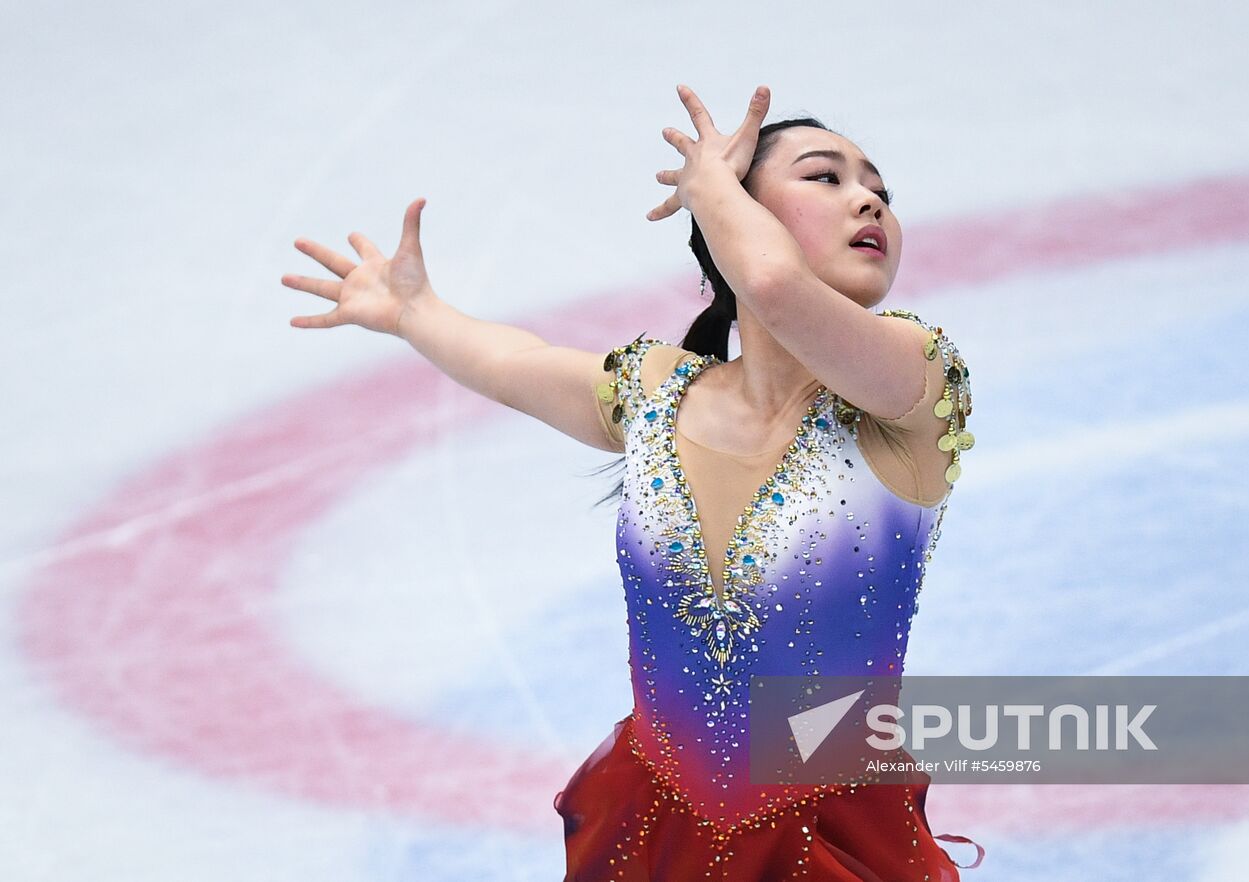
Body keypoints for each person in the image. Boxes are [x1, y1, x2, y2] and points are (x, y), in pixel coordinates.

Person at [282, 83, 981, 881]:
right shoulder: (657, 394)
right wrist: (414, 312)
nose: (869, 201)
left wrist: (710, 186)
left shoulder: (916, 384)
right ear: (737, 220)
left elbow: (774, 287)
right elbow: (516, 364)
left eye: (881, 192)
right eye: (825, 177)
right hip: (655, 830)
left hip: (829, 837)